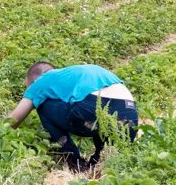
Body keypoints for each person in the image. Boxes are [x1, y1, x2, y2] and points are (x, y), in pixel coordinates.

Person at [9, 62, 138, 171]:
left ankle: (73, 159)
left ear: (33, 80)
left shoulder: (41, 81)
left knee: (43, 106)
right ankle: (99, 157)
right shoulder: (75, 72)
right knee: (100, 118)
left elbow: (13, 120)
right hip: (129, 112)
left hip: (91, 110)